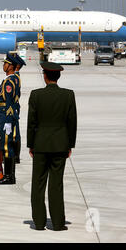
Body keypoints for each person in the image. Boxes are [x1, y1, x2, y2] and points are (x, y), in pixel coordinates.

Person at [27, 62, 77, 231]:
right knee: (56, 185)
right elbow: (72, 122)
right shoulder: (68, 95)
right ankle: (57, 223)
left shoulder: (36, 95)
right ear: (59, 76)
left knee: (38, 184)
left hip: (40, 144)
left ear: (45, 76)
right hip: (60, 145)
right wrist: (70, 144)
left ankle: (39, 222)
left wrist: (31, 145)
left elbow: (31, 122)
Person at [0, 53, 24, 185]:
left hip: (6, 117)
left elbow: (10, 103)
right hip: (4, 116)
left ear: (10, 66)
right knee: (6, 145)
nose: (3, 65)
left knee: (6, 146)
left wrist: (7, 121)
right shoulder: (10, 80)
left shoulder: (9, 82)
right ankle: (9, 175)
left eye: (5, 63)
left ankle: (8, 176)